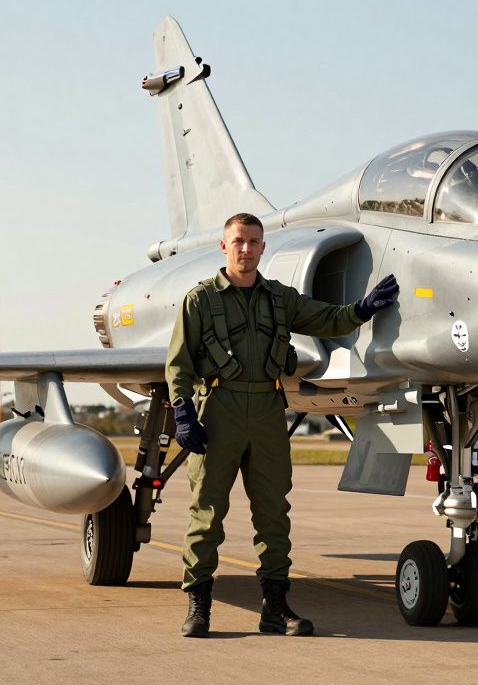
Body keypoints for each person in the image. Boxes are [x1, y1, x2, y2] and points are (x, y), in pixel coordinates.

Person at [165, 212, 399, 638]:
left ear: (262, 248)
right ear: (224, 246)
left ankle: (275, 608)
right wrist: (183, 412)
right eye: (238, 241)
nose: (246, 249)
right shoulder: (199, 300)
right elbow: (178, 363)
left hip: (270, 410)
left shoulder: (279, 299)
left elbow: (328, 319)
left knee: (273, 515)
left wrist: (362, 310)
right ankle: (199, 606)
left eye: (254, 242)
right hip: (219, 408)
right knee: (207, 512)